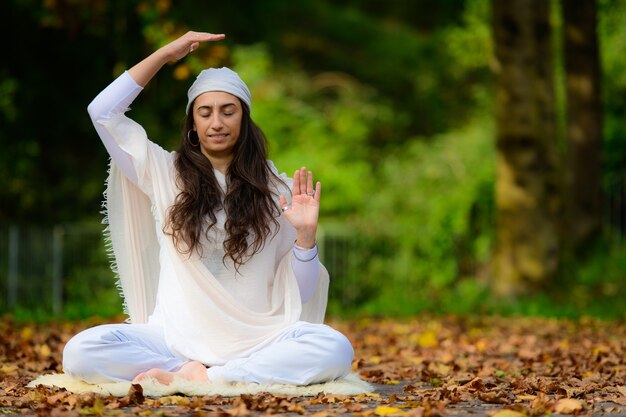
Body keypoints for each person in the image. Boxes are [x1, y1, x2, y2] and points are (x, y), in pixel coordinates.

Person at [62, 31, 354, 386]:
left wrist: (306, 237)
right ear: (194, 125)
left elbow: (300, 293)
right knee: (80, 351)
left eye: (228, 111)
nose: (217, 122)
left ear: (244, 120)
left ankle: (211, 377)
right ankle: (195, 372)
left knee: (334, 347)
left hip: (256, 340)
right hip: (174, 339)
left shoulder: (279, 189)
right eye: (206, 112)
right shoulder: (163, 172)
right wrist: (166, 54)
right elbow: (102, 112)